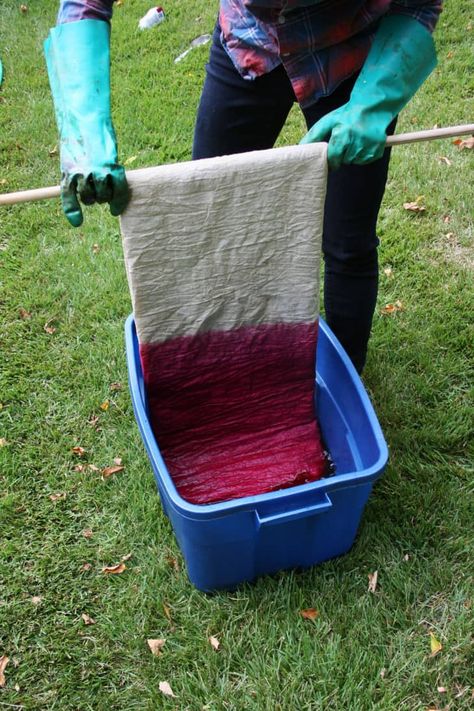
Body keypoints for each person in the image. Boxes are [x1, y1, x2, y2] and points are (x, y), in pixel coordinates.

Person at [45, 1, 443, 372]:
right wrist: (85, 131)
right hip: (250, 40)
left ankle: (345, 383)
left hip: (352, 46)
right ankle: (226, 370)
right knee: (210, 223)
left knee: (348, 240)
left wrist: (371, 103)